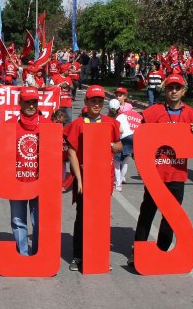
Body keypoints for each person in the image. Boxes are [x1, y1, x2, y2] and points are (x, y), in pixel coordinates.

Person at [129, 74, 193, 265]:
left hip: (177, 173)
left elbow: (191, 137)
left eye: (178, 88)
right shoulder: (154, 112)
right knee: (147, 214)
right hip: (156, 174)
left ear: (184, 90)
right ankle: (138, 251)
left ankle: (161, 252)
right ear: (165, 90)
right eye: (170, 88)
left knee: (171, 217)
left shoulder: (190, 114)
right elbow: (140, 135)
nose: (174, 91)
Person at [63, 85, 122, 271]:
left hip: (104, 178)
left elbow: (120, 146)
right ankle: (78, 256)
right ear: (86, 102)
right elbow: (71, 153)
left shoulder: (110, 123)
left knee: (101, 219)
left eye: (99, 101)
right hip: (85, 179)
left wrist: (112, 145)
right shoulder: (78, 124)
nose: (96, 104)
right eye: (93, 101)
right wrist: (79, 180)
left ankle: (100, 255)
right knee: (82, 218)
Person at [9, 88, 43, 255]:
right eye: (27, 102)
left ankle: (38, 254)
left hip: (40, 182)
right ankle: (22, 254)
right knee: (18, 220)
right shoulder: (9, 126)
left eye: (34, 102)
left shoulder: (48, 125)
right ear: (20, 103)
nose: (31, 105)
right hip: (16, 180)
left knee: (39, 222)